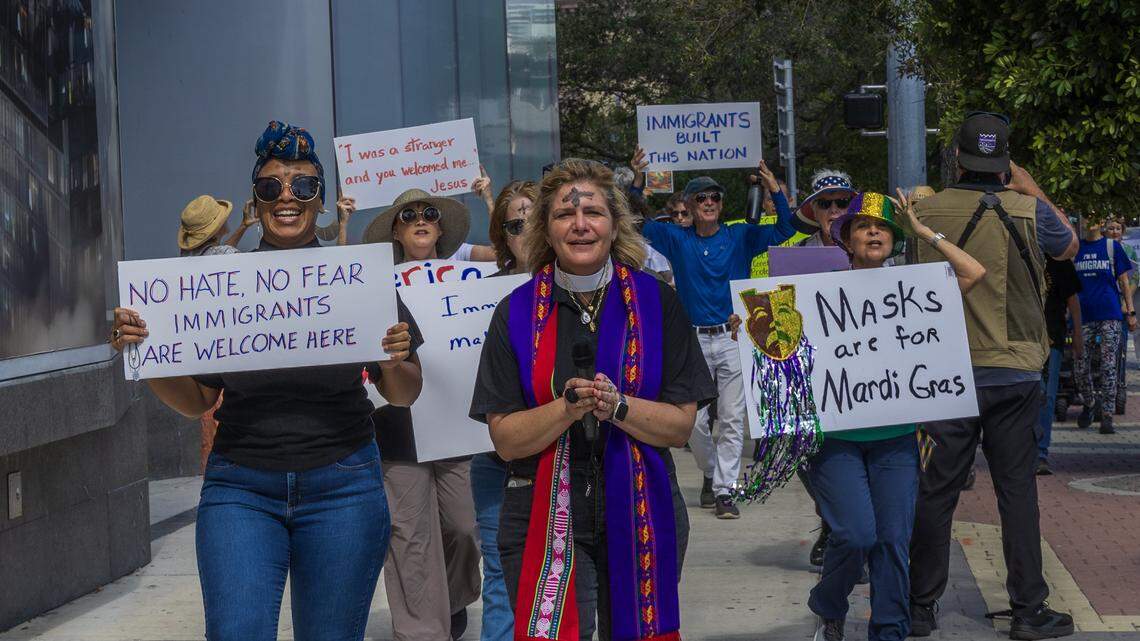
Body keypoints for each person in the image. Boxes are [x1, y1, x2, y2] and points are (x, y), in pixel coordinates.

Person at [111, 121, 423, 641]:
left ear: (320, 200)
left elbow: (404, 392)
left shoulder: (359, 279)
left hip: (344, 485)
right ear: (255, 203)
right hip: (242, 487)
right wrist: (148, 357)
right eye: (270, 186)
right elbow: (197, 401)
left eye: (302, 185)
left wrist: (392, 359)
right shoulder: (223, 288)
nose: (287, 196)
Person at [470, 159, 715, 640]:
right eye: (565, 214)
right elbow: (505, 440)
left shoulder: (656, 302)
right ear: (546, 228)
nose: (580, 225)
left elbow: (680, 426)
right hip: (542, 509)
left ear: (614, 224)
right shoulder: (515, 313)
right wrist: (566, 409)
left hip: (643, 499)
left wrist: (616, 405)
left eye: (593, 213)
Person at [909, 112, 1078, 640]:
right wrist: (1034, 188)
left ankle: (919, 606)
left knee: (936, 493)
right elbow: (1068, 246)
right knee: (1017, 493)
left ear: (957, 158)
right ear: (1005, 164)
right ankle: (1029, 610)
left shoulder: (921, 209)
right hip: (1016, 371)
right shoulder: (1032, 212)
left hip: (945, 372)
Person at [808, 191, 985, 641]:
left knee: (891, 540)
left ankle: (888, 629)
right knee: (854, 534)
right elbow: (771, 331)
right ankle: (829, 603)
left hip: (897, 439)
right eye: (864, 226)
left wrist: (924, 231)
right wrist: (743, 325)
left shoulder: (917, 288)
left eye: (883, 227)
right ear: (846, 239)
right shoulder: (818, 290)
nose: (873, 232)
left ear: (893, 239)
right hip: (837, 441)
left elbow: (973, 271)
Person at [641, 160, 795, 518]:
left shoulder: (741, 235)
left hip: (732, 335)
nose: (708, 202)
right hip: (692, 338)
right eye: (701, 198)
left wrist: (773, 187)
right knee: (692, 421)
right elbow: (637, 224)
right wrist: (639, 184)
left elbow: (785, 227)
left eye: (714, 197)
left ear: (721, 204)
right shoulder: (677, 239)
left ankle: (725, 489)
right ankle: (711, 472)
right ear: (691, 206)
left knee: (731, 417)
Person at [362, 188, 483, 641]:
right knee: (410, 537)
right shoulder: (373, 285)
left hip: (457, 422)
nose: (419, 219)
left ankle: (452, 598)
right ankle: (421, 631)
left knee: (464, 526)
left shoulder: (471, 279)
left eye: (428, 213)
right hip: (396, 424)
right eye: (407, 215)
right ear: (396, 229)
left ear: (440, 227)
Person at [470, 176, 537, 641]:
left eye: (535, 219)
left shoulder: (586, 289)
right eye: (515, 225)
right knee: (499, 577)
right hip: (493, 458)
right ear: (502, 238)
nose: (526, 232)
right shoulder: (473, 298)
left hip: (569, 459)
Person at [1073, 216, 1135, 434]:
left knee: (1109, 366)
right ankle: (1090, 404)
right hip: (1083, 317)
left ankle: (1107, 414)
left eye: (1094, 217)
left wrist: (1131, 311)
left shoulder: (1111, 247)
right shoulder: (1075, 248)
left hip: (1109, 314)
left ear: (1101, 222)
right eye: (1086, 216)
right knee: (1080, 366)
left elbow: (1124, 281)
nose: (1090, 221)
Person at [1038, 255, 1081, 473]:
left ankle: (1039, 453)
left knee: (1046, 396)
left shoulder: (1060, 262)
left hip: (1052, 337)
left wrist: (1078, 337)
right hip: (1023, 338)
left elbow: (1073, 301)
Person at [1102, 217, 1138, 410]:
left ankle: (1118, 385)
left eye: (1118, 229)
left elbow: (1133, 279)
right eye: (1111, 228)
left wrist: (1126, 303)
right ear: (1104, 231)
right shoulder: (1102, 248)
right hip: (1103, 305)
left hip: (1120, 307)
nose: (1115, 231)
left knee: (1119, 351)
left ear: (1122, 231)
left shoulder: (1128, 251)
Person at [177, 194, 252, 257]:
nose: (225, 218)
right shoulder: (230, 255)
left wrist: (243, 225)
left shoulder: (186, 253)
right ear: (216, 229)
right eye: (221, 217)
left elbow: (216, 253)